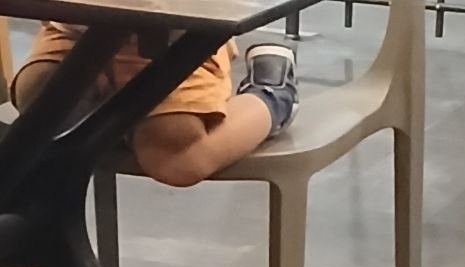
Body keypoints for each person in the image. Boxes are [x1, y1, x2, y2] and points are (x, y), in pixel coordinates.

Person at [11, 23, 298, 187]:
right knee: (40, 110)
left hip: (176, 37)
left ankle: (272, 94)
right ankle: (123, 118)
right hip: (76, 29)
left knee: (176, 157)